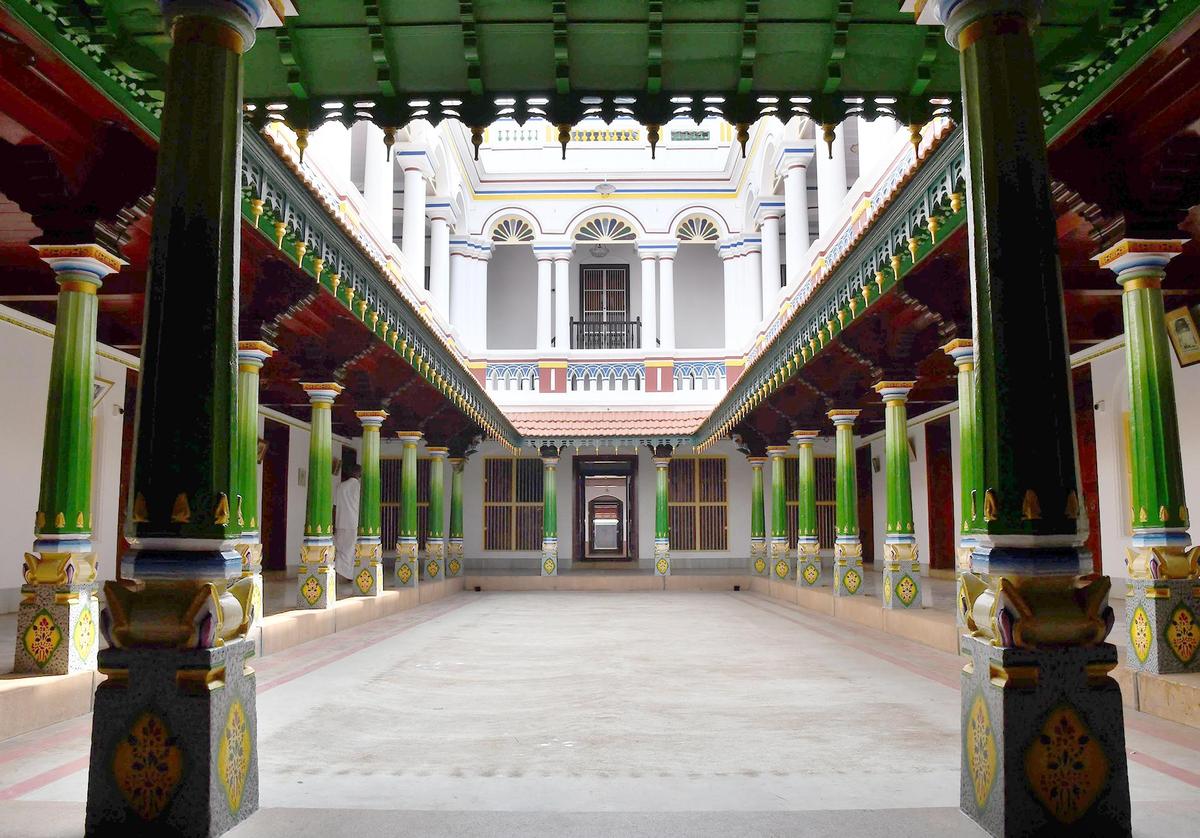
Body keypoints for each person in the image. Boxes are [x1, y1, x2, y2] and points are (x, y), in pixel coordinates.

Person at [333, 464, 361, 580]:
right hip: (353, 522)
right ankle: (347, 574)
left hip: (340, 521)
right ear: (359, 474)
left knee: (340, 547)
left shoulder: (340, 486)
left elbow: (334, 506)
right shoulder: (358, 487)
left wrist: (333, 522)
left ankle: (339, 571)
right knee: (350, 549)